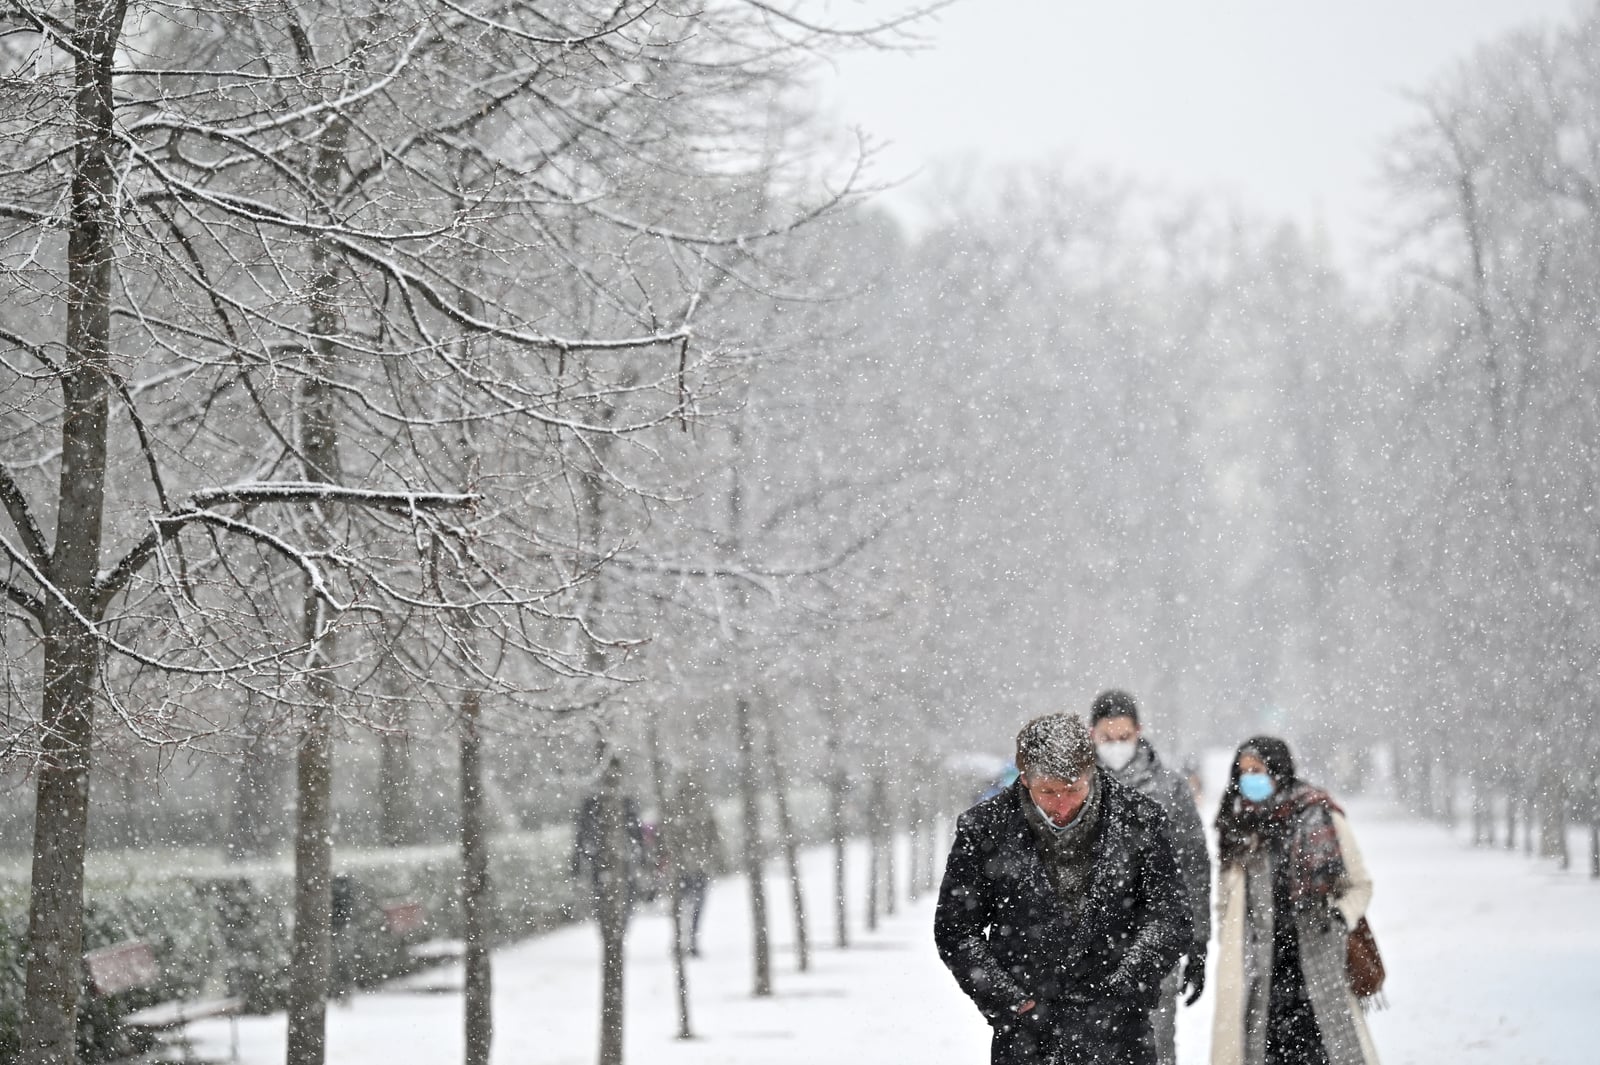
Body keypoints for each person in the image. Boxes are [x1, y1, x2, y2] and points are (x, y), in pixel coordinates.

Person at [935, 712, 1193, 1065]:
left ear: (1092, 772)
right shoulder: (985, 830)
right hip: (1027, 1038)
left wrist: (1125, 988)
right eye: (1048, 792)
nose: (1062, 805)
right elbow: (956, 931)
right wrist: (1011, 1001)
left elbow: (1170, 918)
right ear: (1024, 779)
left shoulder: (1141, 820)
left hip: (1120, 1035)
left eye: (1073, 790)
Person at [1211, 737, 1380, 1065]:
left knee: (1326, 1052)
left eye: (1256, 771)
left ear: (1278, 770)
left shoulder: (1318, 816)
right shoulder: (1236, 824)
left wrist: (1338, 919)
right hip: (1258, 976)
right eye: (1243, 772)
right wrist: (1231, 940)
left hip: (1315, 969)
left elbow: (1360, 885)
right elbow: (1224, 899)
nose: (1249, 780)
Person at [1089, 689, 1212, 1065]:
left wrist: (1198, 941)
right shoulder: (1077, 786)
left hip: (1156, 938)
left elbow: (1193, 865)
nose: (1116, 746)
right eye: (1107, 738)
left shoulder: (1170, 787)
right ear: (1092, 733)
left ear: (1139, 731)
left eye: (1123, 737)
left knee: (1154, 1044)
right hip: (1088, 943)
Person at [663, 772, 722, 956]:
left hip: (683, 866)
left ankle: (682, 940)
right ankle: (691, 940)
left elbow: (668, 837)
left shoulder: (675, 807)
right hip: (696, 865)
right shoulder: (702, 806)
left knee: (683, 906)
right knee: (695, 905)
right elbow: (714, 836)